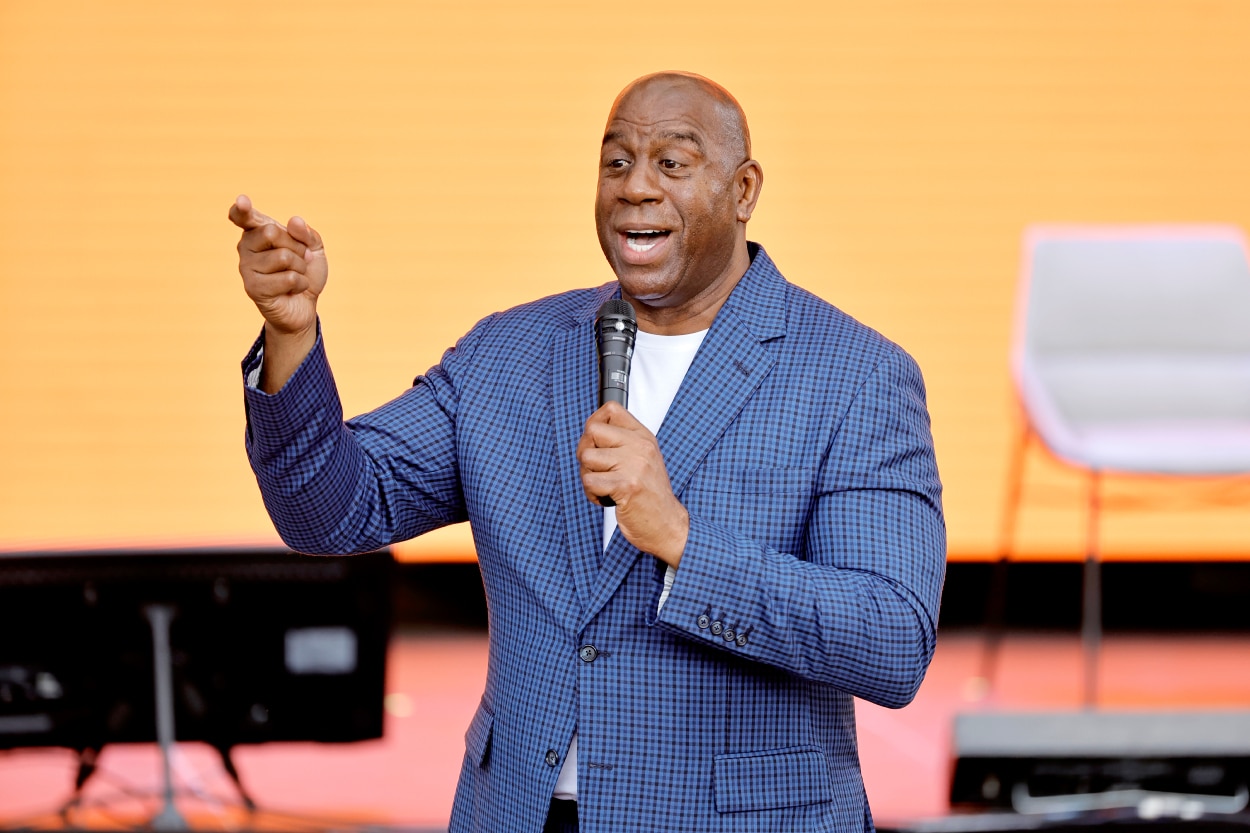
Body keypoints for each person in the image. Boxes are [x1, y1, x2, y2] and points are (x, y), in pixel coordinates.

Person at [230, 71, 945, 833]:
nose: (636, 186)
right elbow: (331, 512)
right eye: (615, 162)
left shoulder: (853, 374)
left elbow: (889, 640)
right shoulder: (508, 353)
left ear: (743, 191)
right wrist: (291, 335)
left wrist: (682, 539)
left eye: (673, 162)